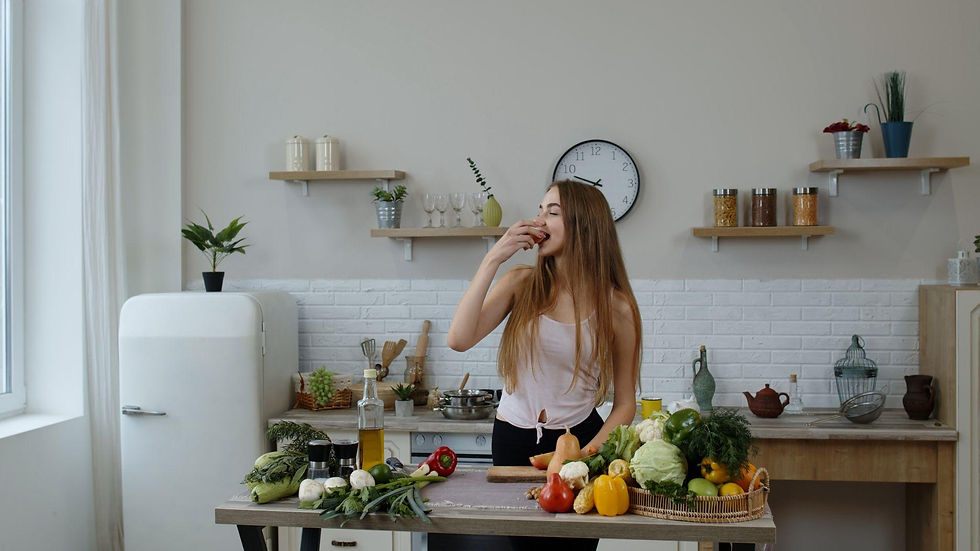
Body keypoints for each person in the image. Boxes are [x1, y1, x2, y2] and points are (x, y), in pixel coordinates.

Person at [446, 179, 642, 551]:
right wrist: (493, 258)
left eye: (552, 212)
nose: (538, 221)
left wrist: (582, 458)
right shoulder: (520, 283)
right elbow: (458, 339)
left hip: (581, 441)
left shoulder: (616, 307)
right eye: (540, 210)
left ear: (584, 225)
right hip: (512, 441)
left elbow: (625, 404)